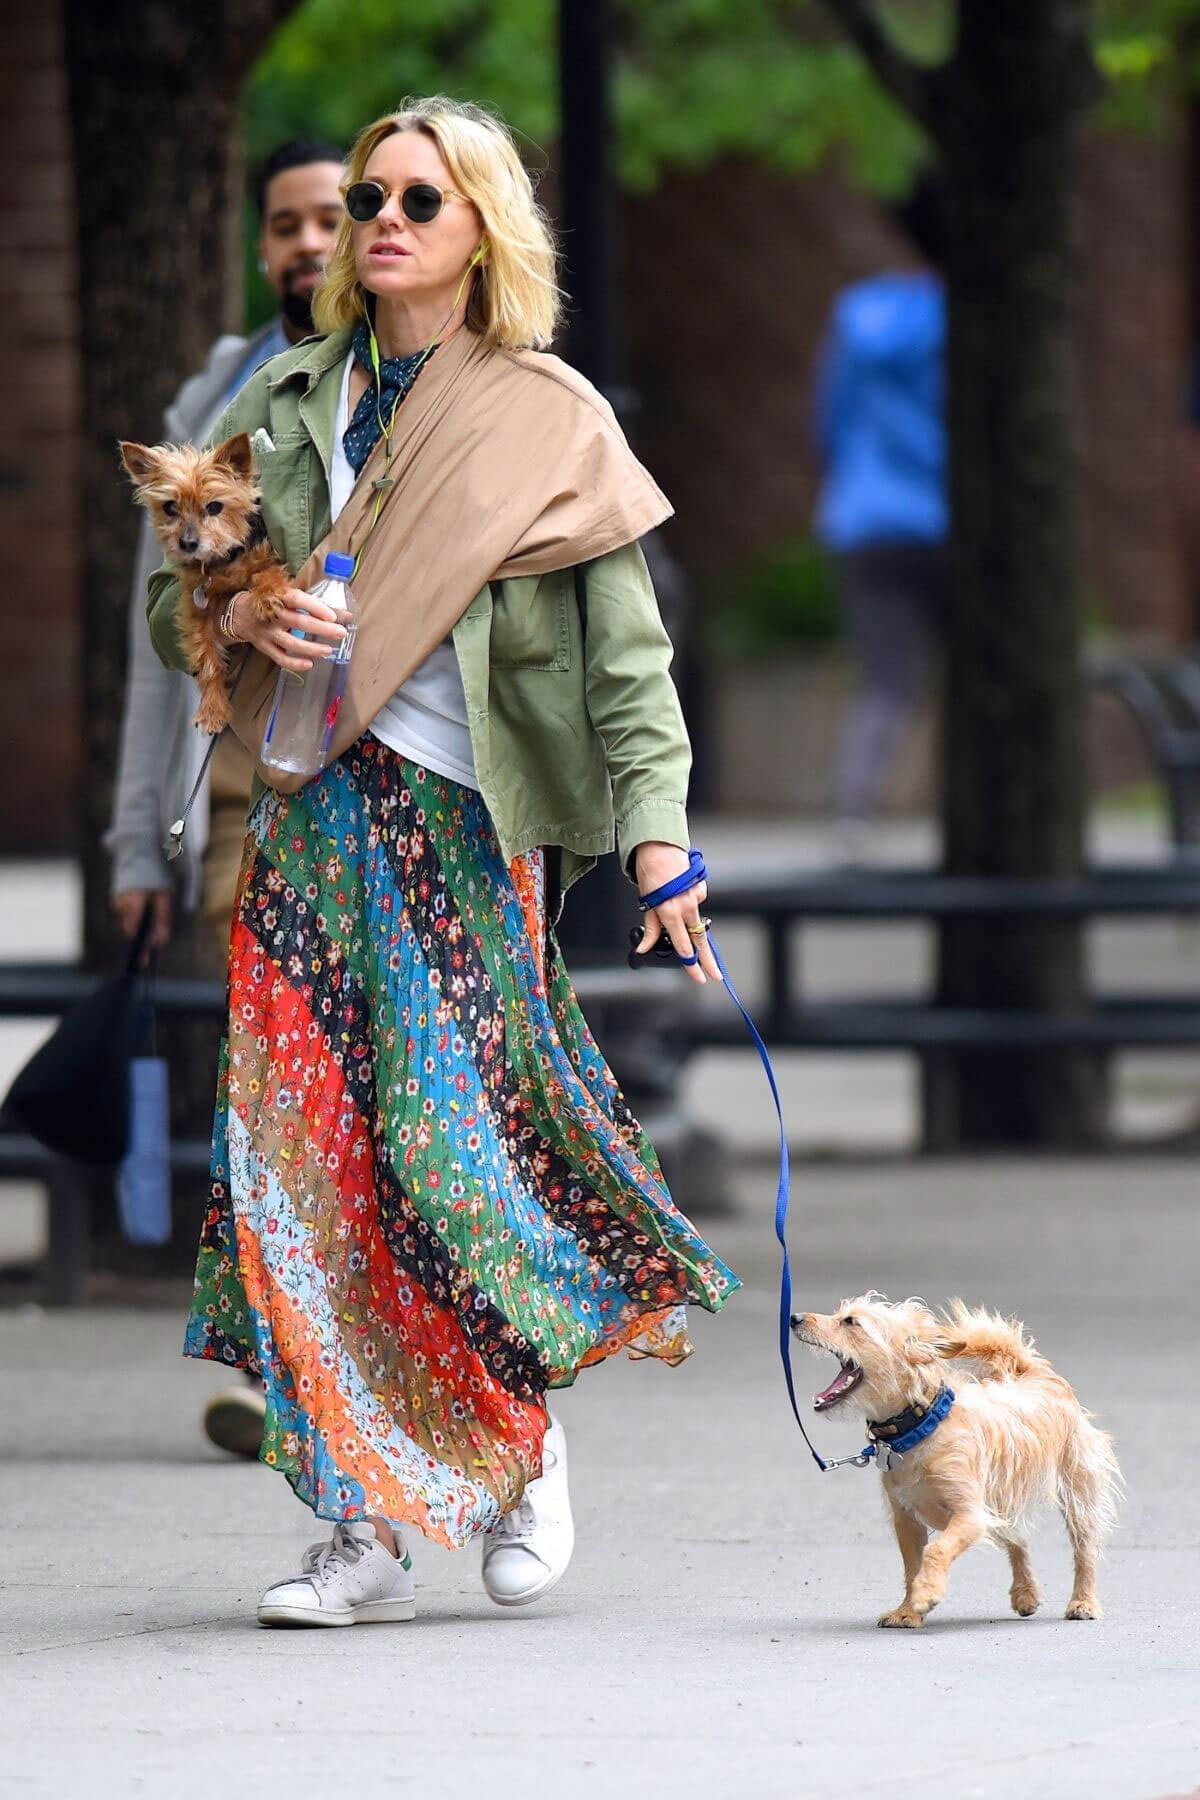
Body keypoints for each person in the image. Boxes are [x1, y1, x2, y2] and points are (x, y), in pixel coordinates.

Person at [146, 96, 738, 1627]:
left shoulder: (547, 413)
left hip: (467, 833)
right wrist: (243, 618)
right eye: (365, 197)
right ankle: (360, 1532)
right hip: (311, 824)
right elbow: (176, 607)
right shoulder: (288, 400)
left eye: (420, 195)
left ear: (483, 223)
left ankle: (515, 1444)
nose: (383, 219)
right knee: (300, 1174)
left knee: (450, 1157)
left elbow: (628, 656)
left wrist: (661, 839)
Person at [108, 137, 345, 1459]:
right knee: (274, 1082)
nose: (307, 244)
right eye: (283, 225)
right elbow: (155, 642)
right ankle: (288, 1362)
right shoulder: (215, 397)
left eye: (332, 217)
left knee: (380, 1085)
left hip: (383, 780)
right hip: (248, 795)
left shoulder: (407, 386)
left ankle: (399, 1358)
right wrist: (141, 834)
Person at [811, 177, 948, 853]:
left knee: (886, 675)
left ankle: (857, 810)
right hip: (949, 515)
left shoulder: (859, 312)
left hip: (866, 514)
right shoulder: (967, 319)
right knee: (974, 672)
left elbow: (829, 422)